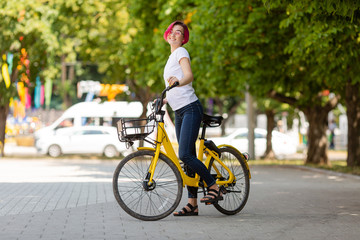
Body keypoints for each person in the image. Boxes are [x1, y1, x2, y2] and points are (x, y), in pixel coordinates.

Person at [162, 21, 223, 217]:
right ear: (167, 35)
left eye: (178, 32)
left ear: (183, 38)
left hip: (190, 108)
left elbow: (188, 76)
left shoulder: (181, 52)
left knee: (185, 155)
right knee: (187, 159)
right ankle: (192, 205)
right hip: (179, 110)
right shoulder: (171, 56)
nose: (174, 34)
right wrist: (164, 99)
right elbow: (174, 86)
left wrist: (179, 82)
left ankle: (214, 186)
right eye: (172, 31)